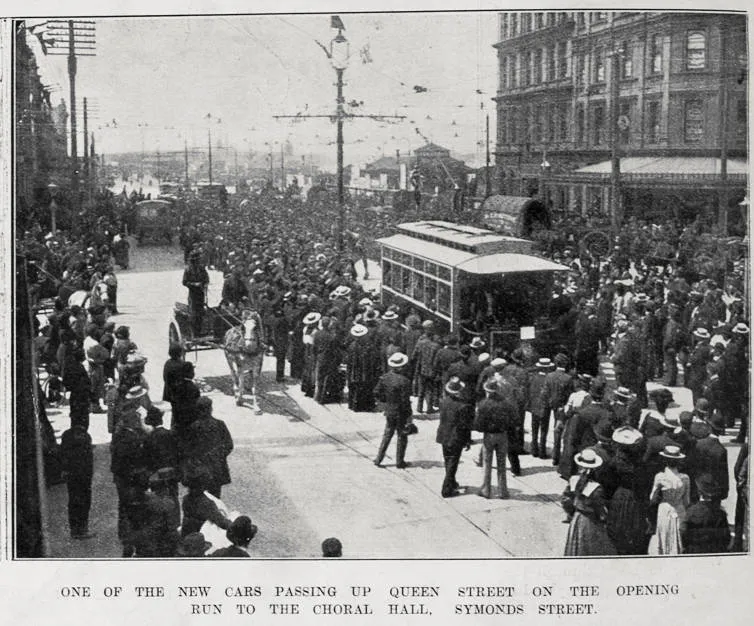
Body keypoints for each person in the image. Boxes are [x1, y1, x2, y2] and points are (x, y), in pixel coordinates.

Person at [562, 448, 617, 556]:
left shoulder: (573, 480)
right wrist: (604, 518)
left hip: (577, 518)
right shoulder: (596, 488)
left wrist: (571, 512)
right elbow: (600, 509)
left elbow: (565, 500)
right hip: (591, 521)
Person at [606, 425, 651, 555]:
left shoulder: (614, 462)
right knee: (635, 525)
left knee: (617, 525)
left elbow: (609, 482)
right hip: (635, 497)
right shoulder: (639, 463)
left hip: (619, 495)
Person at [184, 397, 234, 498]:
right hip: (216, 468)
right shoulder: (219, 424)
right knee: (215, 498)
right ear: (210, 409)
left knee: (199, 497)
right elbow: (229, 445)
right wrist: (218, 455)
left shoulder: (193, 427)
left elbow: (188, 449)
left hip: (199, 469)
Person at [474, 379, 515, 499]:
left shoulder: (483, 404)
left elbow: (478, 424)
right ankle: (503, 491)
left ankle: (486, 490)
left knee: (487, 463)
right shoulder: (506, 403)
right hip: (503, 435)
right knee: (501, 463)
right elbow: (514, 420)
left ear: (487, 390)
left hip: (489, 435)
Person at [648, 445, 690, 555]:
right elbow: (687, 501)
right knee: (678, 536)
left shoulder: (660, 477)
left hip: (664, 509)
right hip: (679, 509)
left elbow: (652, 498)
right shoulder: (685, 478)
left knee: (663, 535)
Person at [373, 352, 413, 469]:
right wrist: (409, 415)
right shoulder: (405, 381)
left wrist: (384, 402)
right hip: (401, 412)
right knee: (402, 436)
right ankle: (400, 461)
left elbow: (376, 392)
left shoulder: (384, 377)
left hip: (389, 410)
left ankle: (379, 459)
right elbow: (405, 400)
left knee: (387, 434)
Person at [436, 376, 474, 498]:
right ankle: (446, 489)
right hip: (455, 437)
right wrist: (467, 440)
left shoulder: (443, 402)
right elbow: (465, 426)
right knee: (453, 462)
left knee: (448, 459)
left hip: (443, 435)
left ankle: (452, 482)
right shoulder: (463, 406)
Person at [60, 423, 95, 539]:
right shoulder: (84, 436)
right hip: (82, 475)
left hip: (75, 475)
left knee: (75, 501)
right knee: (83, 501)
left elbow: (63, 454)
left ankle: (76, 529)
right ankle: (81, 529)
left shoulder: (67, 435)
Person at [682, 475, 731, 554]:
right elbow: (726, 538)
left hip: (694, 553)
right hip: (715, 554)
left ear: (699, 492)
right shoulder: (720, 514)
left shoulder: (691, 512)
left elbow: (684, 534)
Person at [183, 249, 209, 337]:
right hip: (193, 294)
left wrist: (204, 284)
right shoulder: (188, 270)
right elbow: (184, 282)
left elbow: (206, 278)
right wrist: (194, 284)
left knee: (201, 312)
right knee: (194, 313)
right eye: (197, 260)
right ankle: (194, 332)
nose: (198, 261)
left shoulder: (202, 269)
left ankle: (200, 331)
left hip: (201, 293)